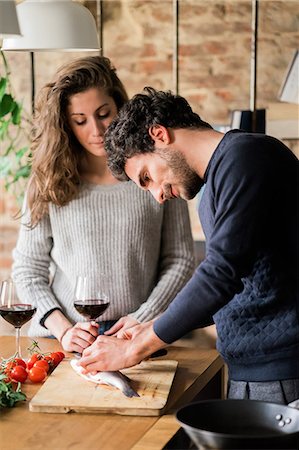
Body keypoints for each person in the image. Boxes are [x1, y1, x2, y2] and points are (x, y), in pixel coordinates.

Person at [79, 87, 299, 404]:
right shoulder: (213, 188)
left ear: (159, 135)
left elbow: (220, 274)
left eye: (146, 177)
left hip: (283, 373)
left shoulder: (248, 158)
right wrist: (148, 325)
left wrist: (133, 349)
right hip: (253, 372)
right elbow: (232, 289)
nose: (156, 195)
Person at [12, 64, 195, 354]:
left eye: (103, 114)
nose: (96, 131)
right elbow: (27, 270)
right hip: (65, 338)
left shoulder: (158, 171)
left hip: (140, 336)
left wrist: (142, 320)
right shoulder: (49, 179)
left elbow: (180, 259)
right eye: (80, 120)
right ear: (65, 124)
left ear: (119, 107)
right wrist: (64, 330)